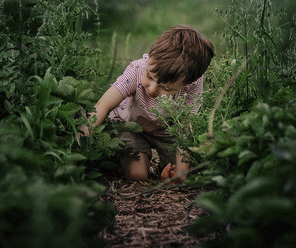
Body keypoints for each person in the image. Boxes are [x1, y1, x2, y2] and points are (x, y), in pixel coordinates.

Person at [82, 25, 214, 182]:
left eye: (166, 88)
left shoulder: (193, 85)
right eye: (150, 76)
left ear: (187, 84)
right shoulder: (137, 70)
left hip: (167, 133)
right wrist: (81, 137)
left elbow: (184, 129)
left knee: (183, 169)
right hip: (131, 127)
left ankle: (163, 170)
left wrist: (180, 176)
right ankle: (124, 163)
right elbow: (103, 105)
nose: (152, 89)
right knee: (137, 176)